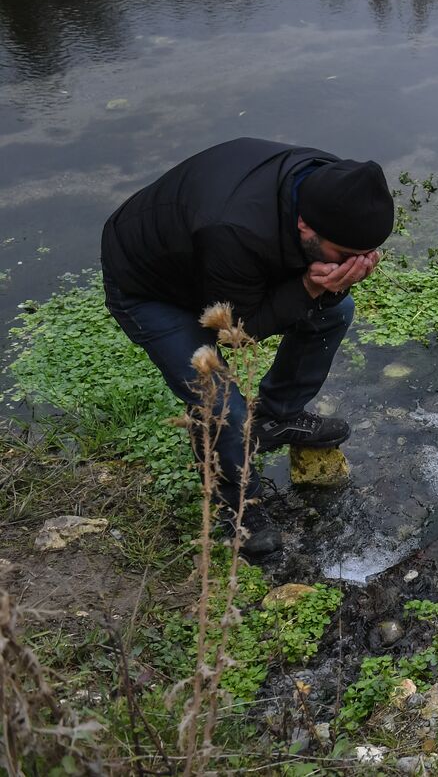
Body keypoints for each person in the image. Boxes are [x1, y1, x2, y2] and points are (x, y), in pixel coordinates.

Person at [101, 137, 395, 556]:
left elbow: (307, 295)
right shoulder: (233, 227)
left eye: (366, 256)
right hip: (151, 286)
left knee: (335, 311)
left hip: (221, 263)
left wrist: (330, 286)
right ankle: (237, 503)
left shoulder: (334, 188)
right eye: (346, 256)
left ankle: (275, 418)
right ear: (305, 228)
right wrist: (311, 284)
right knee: (220, 400)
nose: (356, 265)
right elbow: (235, 332)